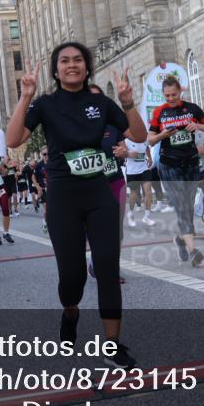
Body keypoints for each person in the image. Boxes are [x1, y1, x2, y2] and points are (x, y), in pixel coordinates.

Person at [6, 42, 147, 370]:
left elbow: (137, 135)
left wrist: (127, 104)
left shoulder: (101, 102)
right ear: (56, 70)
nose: (72, 65)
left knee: (108, 269)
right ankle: (70, 312)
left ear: (87, 67)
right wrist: (26, 96)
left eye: (78, 60)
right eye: (65, 61)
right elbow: (13, 140)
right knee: (72, 279)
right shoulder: (45, 103)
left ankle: (112, 346)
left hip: (99, 194)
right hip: (63, 198)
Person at [148, 76, 204, 267]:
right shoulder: (159, 112)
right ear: (163, 94)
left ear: (180, 92)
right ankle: (193, 250)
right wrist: (164, 134)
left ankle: (180, 238)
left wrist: (198, 126)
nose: (170, 98)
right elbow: (151, 140)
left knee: (188, 206)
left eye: (174, 94)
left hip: (191, 163)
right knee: (181, 206)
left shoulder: (192, 108)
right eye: (167, 95)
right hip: (169, 165)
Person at [86, 83, 130, 284]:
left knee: (116, 229)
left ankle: (112, 269)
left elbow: (124, 148)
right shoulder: (78, 128)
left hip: (115, 180)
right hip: (93, 183)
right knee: (97, 228)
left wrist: (124, 152)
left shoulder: (113, 125)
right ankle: (97, 262)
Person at [123, 137, 156, 227]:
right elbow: (122, 154)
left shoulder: (144, 139)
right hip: (132, 171)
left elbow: (147, 148)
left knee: (148, 193)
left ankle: (146, 217)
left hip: (144, 169)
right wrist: (128, 154)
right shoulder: (126, 141)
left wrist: (149, 157)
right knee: (134, 195)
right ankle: (130, 213)